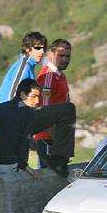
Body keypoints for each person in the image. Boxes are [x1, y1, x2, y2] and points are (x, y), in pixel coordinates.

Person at [0, 79, 76, 179]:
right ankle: (59, 160)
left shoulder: (1, 107)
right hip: (6, 165)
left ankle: (58, 158)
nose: (38, 101)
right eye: (34, 97)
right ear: (22, 95)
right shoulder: (26, 112)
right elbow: (23, 140)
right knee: (68, 109)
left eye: (38, 97)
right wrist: (24, 165)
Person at [35, 39, 72, 168]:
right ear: (51, 54)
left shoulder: (60, 75)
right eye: (61, 56)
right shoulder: (48, 75)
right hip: (48, 138)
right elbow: (44, 111)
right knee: (50, 181)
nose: (65, 59)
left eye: (68, 56)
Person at [0, 31, 47, 104]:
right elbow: (11, 96)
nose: (42, 52)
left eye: (44, 49)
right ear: (27, 49)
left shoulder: (29, 65)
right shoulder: (24, 66)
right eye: (38, 48)